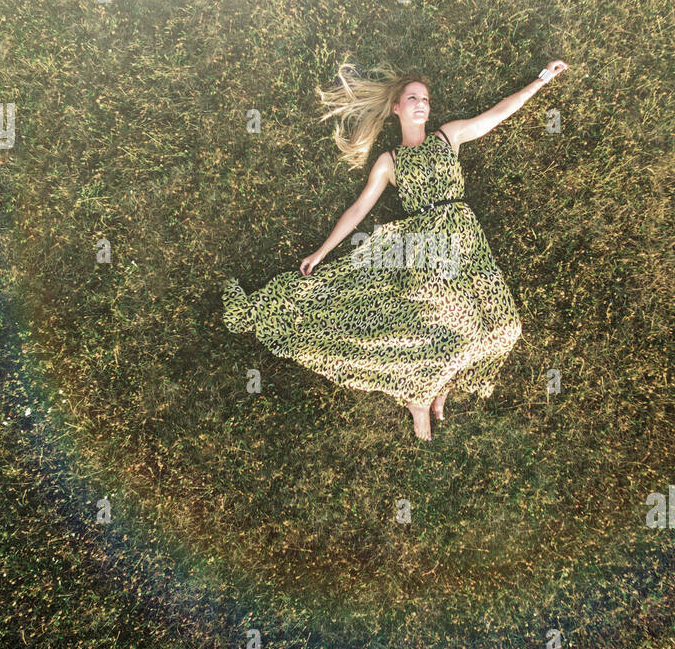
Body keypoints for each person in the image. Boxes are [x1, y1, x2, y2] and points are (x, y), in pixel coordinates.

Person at [223, 58, 569, 440]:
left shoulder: (447, 137)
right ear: (397, 108)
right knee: (457, 327)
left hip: (467, 240)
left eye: (426, 99)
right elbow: (358, 209)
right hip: (428, 246)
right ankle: (420, 396)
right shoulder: (390, 161)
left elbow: (498, 113)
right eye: (413, 98)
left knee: (506, 327)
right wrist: (321, 252)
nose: (422, 103)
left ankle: (441, 385)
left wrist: (540, 80)